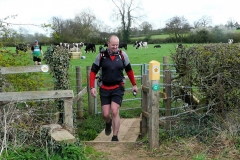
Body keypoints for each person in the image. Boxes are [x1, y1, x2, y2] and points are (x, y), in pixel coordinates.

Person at [89, 35, 138, 141]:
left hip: (118, 87)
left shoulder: (122, 55)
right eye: (113, 45)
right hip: (104, 88)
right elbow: (93, 71)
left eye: (117, 45)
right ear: (108, 44)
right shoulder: (101, 56)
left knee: (115, 111)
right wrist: (92, 87)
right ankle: (108, 122)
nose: (115, 47)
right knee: (106, 114)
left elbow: (129, 70)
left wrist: (134, 84)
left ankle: (115, 137)